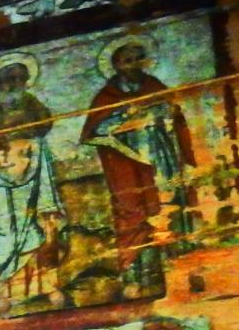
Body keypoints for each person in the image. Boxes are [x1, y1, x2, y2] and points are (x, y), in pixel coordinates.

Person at [83, 42, 196, 288]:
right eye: (128, 60)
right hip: (128, 164)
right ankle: (138, 272)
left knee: (169, 202)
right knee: (133, 211)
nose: (134, 65)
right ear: (116, 65)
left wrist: (161, 112)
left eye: (139, 58)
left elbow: (174, 115)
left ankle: (180, 259)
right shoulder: (107, 96)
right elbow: (95, 129)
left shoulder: (154, 87)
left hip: (161, 157)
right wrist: (125, 114)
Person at [0, 58, 67, 312]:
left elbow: (44, 124)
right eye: (9, 79)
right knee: (6, 230)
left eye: (20, 78)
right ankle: (8, 290)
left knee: (40, 224)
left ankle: (48, 285)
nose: (15, 84)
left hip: (33, 168)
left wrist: (26, 143)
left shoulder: (31, 103)